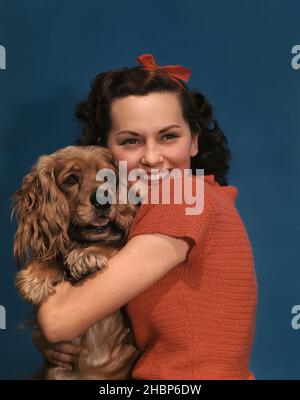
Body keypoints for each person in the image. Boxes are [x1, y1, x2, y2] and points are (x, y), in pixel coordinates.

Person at [33, 53, 258, 379]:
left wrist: (55, 323)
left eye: (169, 136)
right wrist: (67, 339)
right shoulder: (200, 197)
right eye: (131, 141)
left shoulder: (183, 199)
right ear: (105, 148)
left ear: (194, 141)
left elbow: (58, 321)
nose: (152, 158)